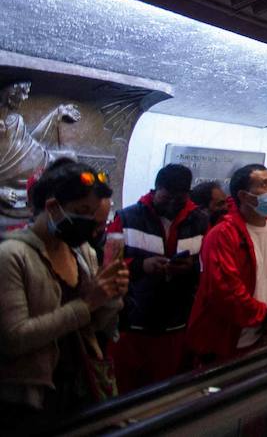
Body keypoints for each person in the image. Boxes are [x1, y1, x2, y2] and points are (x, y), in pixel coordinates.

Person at [0, 161, 126, 423]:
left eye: (94, 214)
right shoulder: (12, 256)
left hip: (80, 386)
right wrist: (86, 304)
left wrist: (110, 296)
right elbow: (13, 339)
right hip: (30, 400)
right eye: (82, 212)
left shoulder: (82, 252)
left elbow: (95, 327)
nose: (89, 224)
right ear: (52, 207)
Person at [106, 163, 207, 391]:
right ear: (156, 189)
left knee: (166, 392)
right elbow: (108, 265)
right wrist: (141, 266)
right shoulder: (127, 218)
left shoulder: (199, 222)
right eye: (166, 197)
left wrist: (190, 268)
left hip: (176, 325)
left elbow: (207, 264)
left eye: (178, 198)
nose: (172, 203)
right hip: (132, 324)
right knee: (125, 391)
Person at [186, 163, 267, 365]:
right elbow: (225, 290)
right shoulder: (222, 235)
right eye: (264, 185)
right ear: (244, 195)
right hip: (226, 343)